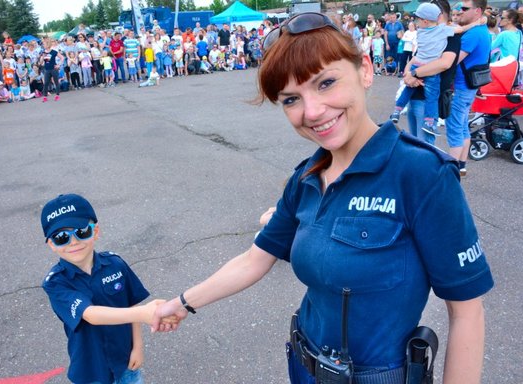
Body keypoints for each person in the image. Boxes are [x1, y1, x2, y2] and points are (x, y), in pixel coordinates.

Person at [152, 12, 494, 384]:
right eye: (290, 99)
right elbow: (255, 259)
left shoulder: (421, 174)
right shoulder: (306, 176)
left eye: (326, 83)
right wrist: (182, 303)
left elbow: (466, 313)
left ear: (365, 70)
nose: (311, 112)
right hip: (303, 366)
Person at [40, 194, 176, 384]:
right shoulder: (56, 283)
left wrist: (138, 347)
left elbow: (132, 304)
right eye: (61, 237)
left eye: (81, 232)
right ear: (51, 244)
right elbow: (91, 314)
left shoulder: (116, 264)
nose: (73, 242)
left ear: (95, 231)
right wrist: (145, 313)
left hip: (125, 362)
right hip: (91, 371)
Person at [389, 3, 459, 136]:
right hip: (414, 95)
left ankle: (423, 120)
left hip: (425, 101)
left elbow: (444, 63)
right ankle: (397, 110)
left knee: (424, 146)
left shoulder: (449, 34)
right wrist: (408, 76)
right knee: (415, 143)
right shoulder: (427, 32)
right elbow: (415, 58)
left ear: (441, 15)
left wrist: (414, 74)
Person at [445, 0, 492, 176]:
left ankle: (450, 171)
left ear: (477, 11)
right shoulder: (480, 30)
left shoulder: (473, 34)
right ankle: (461, 165)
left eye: (464, 9)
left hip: (460, 88)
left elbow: (451, 61)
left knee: (455, 129)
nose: (460, 12)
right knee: (462, 126)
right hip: (468, 87)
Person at [40, 37, 62, 102]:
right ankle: (45, 96)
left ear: (47, 45)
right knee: (46, 83)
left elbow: (62, 58)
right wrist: (43, 57)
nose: (43, 45)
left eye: (44, 44)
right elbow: (41, 62)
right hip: (47, 70)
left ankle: (57, 95)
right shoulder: (43, 52)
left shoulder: (54, 52)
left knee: (56, 82)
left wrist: (59, 65)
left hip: (54, 69)